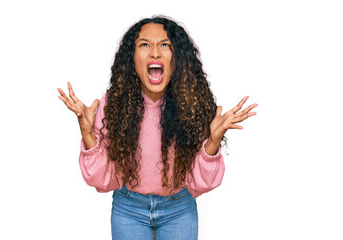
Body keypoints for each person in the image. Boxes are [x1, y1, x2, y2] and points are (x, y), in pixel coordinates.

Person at [57, 16, 257, 240]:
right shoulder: (114, 104)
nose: (154, 53)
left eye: (165, 45)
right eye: (144, 44)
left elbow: (200, 184)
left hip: (179, 209)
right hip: (128, 209)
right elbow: (102, 180)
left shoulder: (192, 105)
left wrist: (212, 141)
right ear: (132, 59)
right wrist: (87, 132)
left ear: (177, 58)